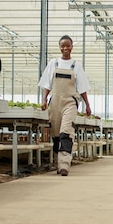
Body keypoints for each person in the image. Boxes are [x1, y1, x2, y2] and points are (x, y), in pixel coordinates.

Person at [38, 35, 91, 176]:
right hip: (54, 102)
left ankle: (64, 165)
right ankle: (58, 162)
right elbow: (46, 85)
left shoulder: (76, 65)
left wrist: (87, 105)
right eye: (63, 46)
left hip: (70, 102)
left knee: (66, 132)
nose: (65, 48)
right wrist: (44, 100)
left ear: (72, 47)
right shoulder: (53, 63)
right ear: (59, 47)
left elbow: (82, 88)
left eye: (68, 45)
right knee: (55, 134)